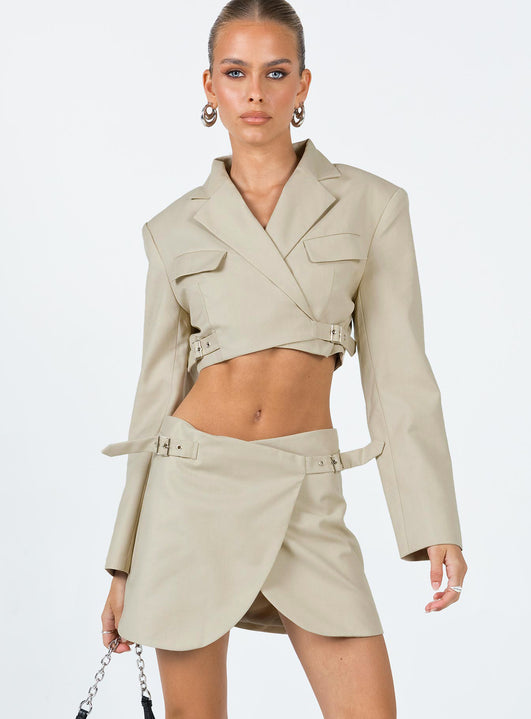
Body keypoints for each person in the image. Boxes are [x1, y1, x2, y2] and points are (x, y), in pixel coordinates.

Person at [100, 1, 467, 717]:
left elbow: (399, 376)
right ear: (209, 85)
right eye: (235, 72)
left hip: (305, 489)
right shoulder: (172, 228)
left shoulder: (371, 205)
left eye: (275, 72)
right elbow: (154, 396)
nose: (255, 93)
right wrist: (123, 563)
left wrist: (434, 524)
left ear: (303, 83)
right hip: (192, 490)